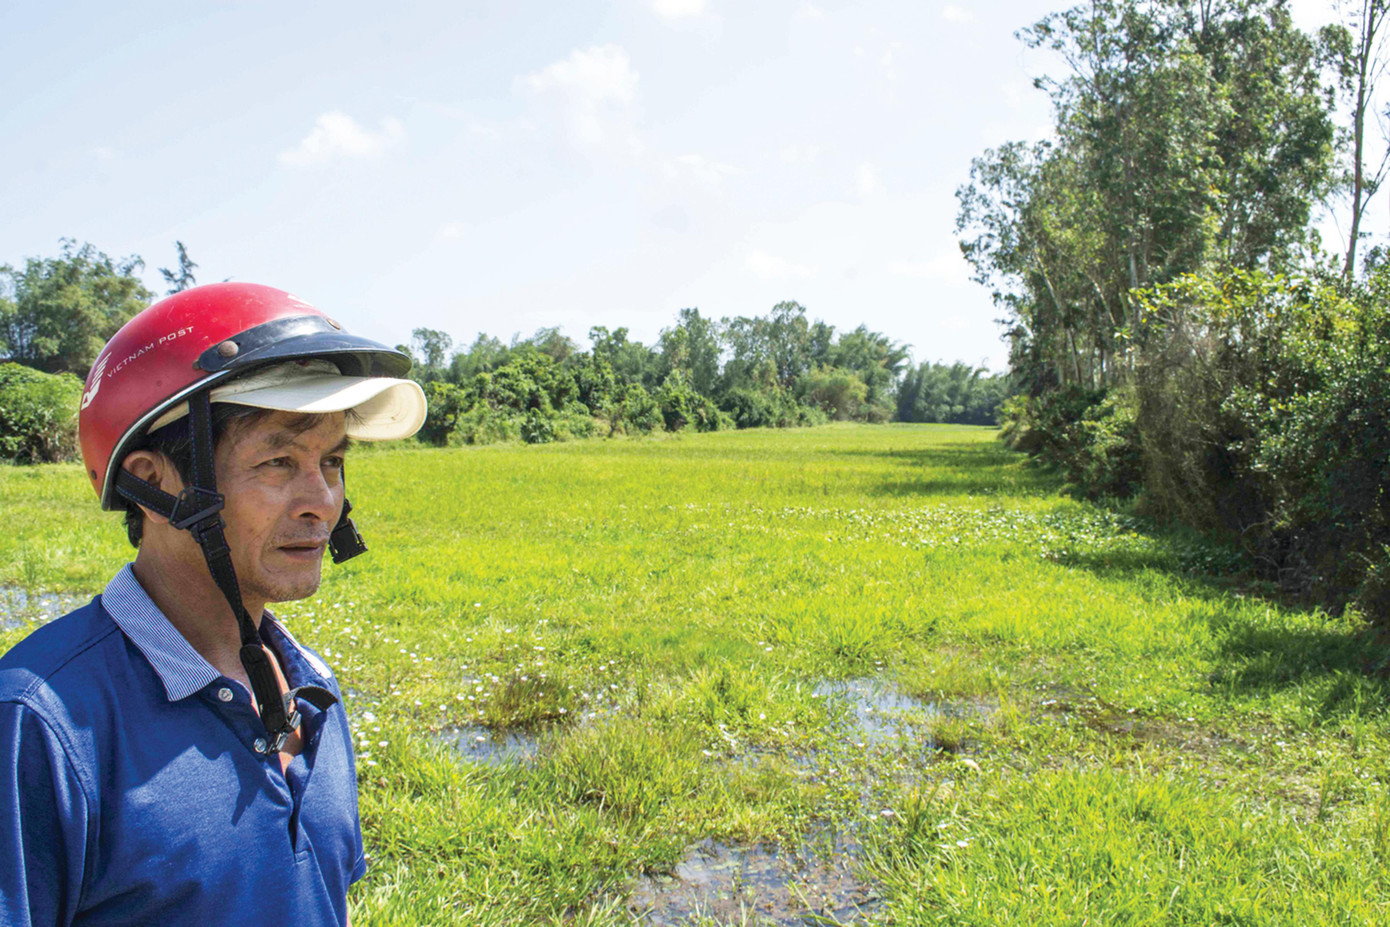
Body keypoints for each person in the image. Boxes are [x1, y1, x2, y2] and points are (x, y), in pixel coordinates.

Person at [0, 283, 427, 926]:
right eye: (278, 461)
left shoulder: (313, 689)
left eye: (333, 461)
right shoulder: (39, 726)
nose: (322, 502)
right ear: (151, 482)